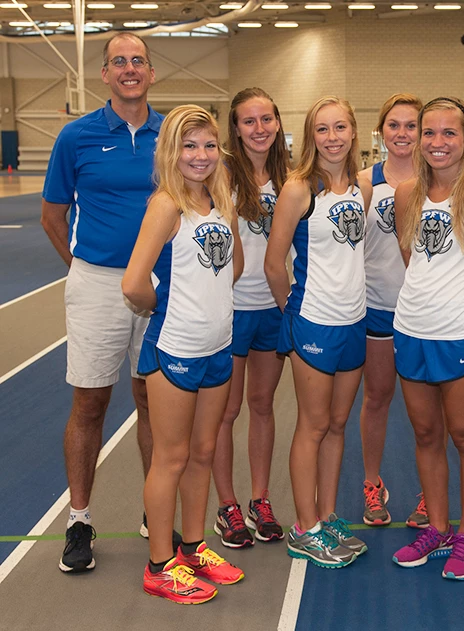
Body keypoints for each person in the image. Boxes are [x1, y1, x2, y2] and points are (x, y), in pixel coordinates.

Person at [41, 32, 166, 573]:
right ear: (105, 74)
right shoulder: (76, 136)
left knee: (153, 402)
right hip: (97, 284)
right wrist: (85, 271)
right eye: (119, 61)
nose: (130, 69)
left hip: (164, 287)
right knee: (89, 405)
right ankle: (80, 519)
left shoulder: (174, 134)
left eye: (138, 60)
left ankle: (154, 510)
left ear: (151, 72)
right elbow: (53, 215)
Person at [122, 104, 244, 604]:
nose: (200, 155)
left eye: (208, 145)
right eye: (189, 145)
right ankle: (159, 565)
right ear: (171, 151)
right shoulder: (166, 204)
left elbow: (231, 267)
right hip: (174, 347)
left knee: (203, 452)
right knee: (170, 459)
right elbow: (133, 284)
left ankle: (194, 547)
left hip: (218, 345)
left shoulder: (220, 198)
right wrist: (169, 306)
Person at [391, 97, 464, 581]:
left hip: (461, 333)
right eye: (430, 133)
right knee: (424, 434)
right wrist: (424, 307)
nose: (438, 143)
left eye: (449, 133)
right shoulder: (407, 194)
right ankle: (436, 528)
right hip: (411, 330)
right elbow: (410, 260)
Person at [265, 96, 370, 569]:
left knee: (337, 424)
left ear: (353, 132)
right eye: (322, 129)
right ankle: (304, 527)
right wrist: (294, 311)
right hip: (313, 323)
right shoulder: (297, 189)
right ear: (311, 136)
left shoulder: (360, 188)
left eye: (340, 127)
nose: (332, 137)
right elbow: (274, 262)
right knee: (311, 425)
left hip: (355, 321)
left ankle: (327, 515)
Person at [211, 88, 290, 548]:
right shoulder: (221, 174)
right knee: (228, 410)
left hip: (275, 308)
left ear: (278, 123)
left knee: (263, 406)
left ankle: (261, 499)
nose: (259, 128)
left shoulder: (292, 176)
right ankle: (227, 505)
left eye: (266, 119)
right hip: (233, 308)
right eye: (248, 121)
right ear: (236, 129)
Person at [358, 93, 427, 528]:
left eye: (411, 126)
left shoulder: (440, 180)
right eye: (394, 125)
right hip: (378, 306)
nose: (402, 134)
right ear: (381, 131)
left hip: (426, 313)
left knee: (427, 414)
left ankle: (427, 494)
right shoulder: (364, 182)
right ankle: (371, 483)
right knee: (377, 397)